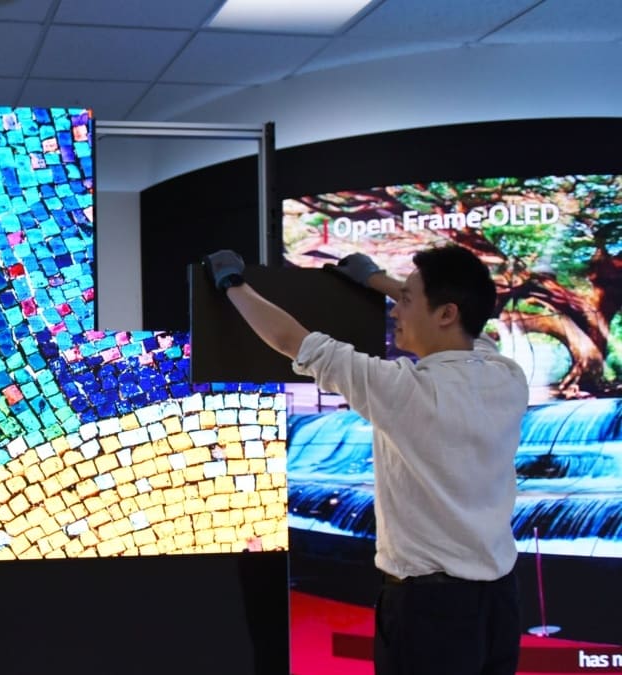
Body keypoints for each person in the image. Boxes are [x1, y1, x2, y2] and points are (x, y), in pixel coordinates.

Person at [205, 246, 527, 675]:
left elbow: (291, 341)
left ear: (447, 313)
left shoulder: (404, 390)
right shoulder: (505, 373)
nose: (395, 310)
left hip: (430, 611)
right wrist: (377, 280)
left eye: (406, 300)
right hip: (500, 600)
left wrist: (232, 283)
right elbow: (467, 330)